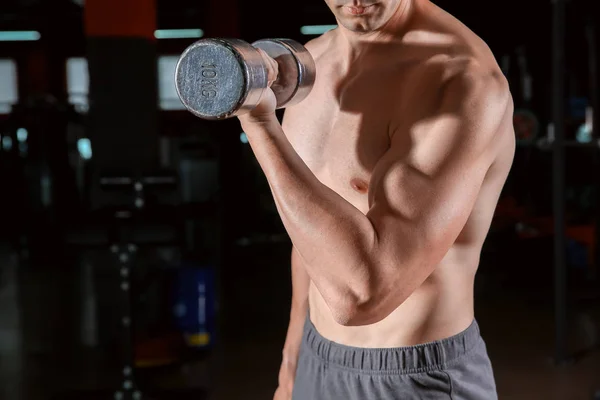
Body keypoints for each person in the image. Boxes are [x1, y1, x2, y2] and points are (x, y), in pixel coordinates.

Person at [237, 0, 515, 398]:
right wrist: (294, 353)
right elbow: (313, 232)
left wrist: (259, 123)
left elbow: (362, 295)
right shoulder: (310, 62)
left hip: (414, 378)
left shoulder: (460, 81)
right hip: (318, 361)